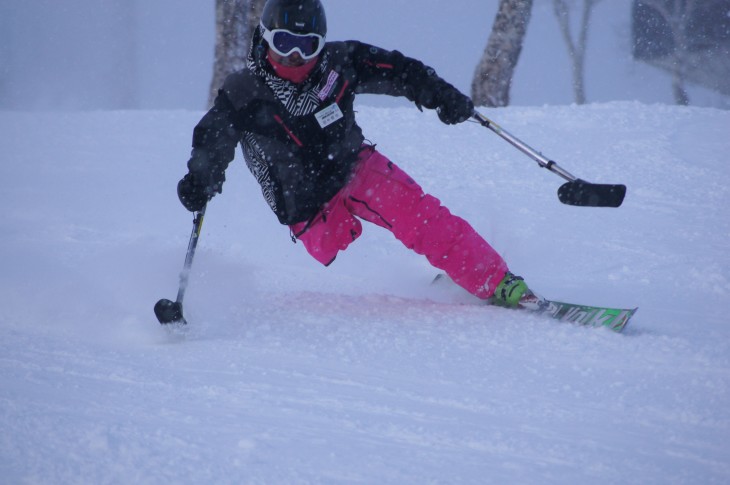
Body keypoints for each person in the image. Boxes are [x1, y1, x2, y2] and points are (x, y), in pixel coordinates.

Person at [177, 0, 536, 308]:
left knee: (417, 212)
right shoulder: (244, 92)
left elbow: (401, 70)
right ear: (265, 39)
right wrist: (200, 178)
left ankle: (494, 279)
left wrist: (440, 94)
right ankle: (468, 268)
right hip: (305, 206)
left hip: (353, 166)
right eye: (285, 44)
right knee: (333, 238)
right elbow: (212, 137)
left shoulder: (339, 63)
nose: (296, 56)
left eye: (308, 45)